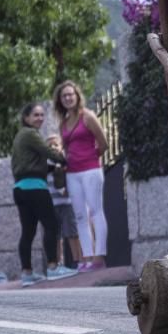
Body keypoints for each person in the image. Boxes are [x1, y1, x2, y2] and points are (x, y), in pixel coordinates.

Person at [10, 104, 78, 286]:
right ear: (26, 118)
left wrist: (49, 168)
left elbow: (28, 164)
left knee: (28, 231)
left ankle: (27, 274)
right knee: (52, 224)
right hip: (35, 188)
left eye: (42, 115)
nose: (40, 118)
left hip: (20, 188)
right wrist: (63, 159)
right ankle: (53, 267)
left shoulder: (20, 136)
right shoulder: (30, 134)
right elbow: (48, 152)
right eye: (35, 115)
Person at [53, 80, 109, 272]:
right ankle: (86, 258)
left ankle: (99, 257)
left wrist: (91, 159)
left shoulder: (88, 116)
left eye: (71, 94)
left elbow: (103, 143)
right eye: (64, 96)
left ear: (77, 96)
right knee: (79, 216)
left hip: (91, 170)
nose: (68, 98)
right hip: (72, 174)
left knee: (95, 211)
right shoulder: (63, 123)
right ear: (60, 100)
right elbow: (67, 149)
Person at [47, 134, 83, 271]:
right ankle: (59, 263)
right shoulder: (44, 164)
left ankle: (77, 261)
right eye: (49, 146)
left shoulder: (67, 162)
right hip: (51, 204)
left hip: (67, 203)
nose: (53, 147)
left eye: (55, 144)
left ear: (61, 146)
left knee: (72, 232)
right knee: (56, 236)